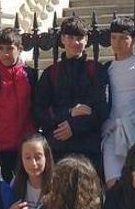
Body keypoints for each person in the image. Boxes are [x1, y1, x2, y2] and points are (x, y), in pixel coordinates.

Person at [33, 17, 108, 172]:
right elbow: (39, 111)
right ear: (62, 39)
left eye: (80, 38)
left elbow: (101, 109)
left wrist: (74, 127)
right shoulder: (50, 73)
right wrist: (69, 113)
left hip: (88, 149)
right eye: (71, 38)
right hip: (58, 147)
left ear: (86, 40)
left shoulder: (96, 70)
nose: (75, 42)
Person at [0, 28, 37, 179]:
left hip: (24, 143)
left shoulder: (30, 74)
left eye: (10, 49)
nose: (5, 54)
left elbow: (35, 107)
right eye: (1, 49)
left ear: (20, 49)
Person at [100, 17, 135, 187]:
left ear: (133, 40)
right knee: (113, 183)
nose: (117, 42)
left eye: (123, 38)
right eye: (114, 37)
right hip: (113, 132)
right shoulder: (107, 68)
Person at [9, 134, 55, 209]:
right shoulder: (15, 183)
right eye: (27, 158)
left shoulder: (57, 184)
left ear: (47, 157)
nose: (33, 163)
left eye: (38, 157)